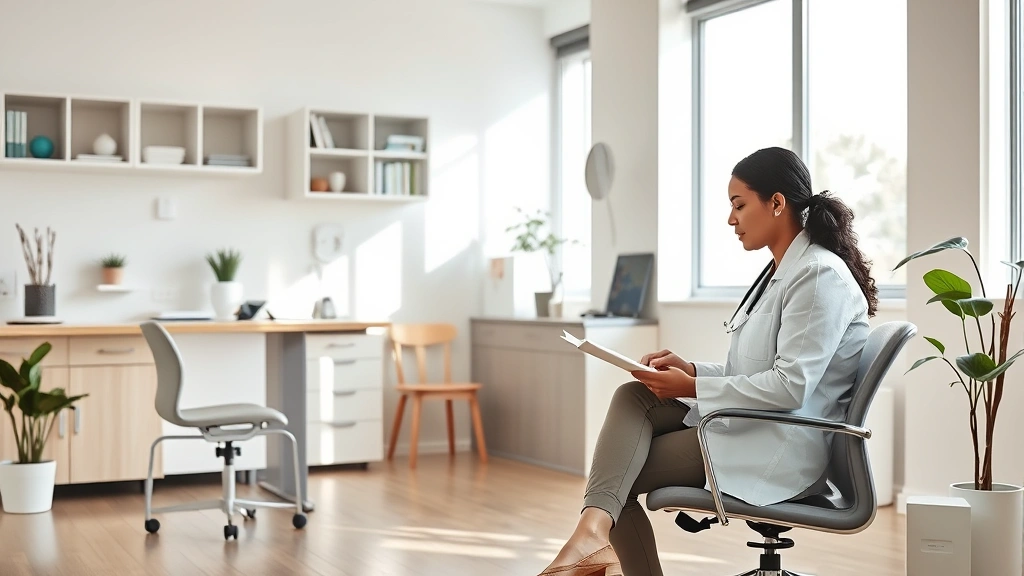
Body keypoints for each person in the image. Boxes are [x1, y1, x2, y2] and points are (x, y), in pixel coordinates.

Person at [536, 146, 878, 576]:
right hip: (756, 425)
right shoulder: (783, 272)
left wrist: (691, 388)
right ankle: (588, 539)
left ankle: (589, 540)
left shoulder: (817, 275)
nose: (730, 219)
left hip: (780, 444)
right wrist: (692, 370)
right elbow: (754, 372)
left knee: (615, 478)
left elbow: (790, 387)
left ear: (776, 203)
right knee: (633, 395)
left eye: (739, 205)